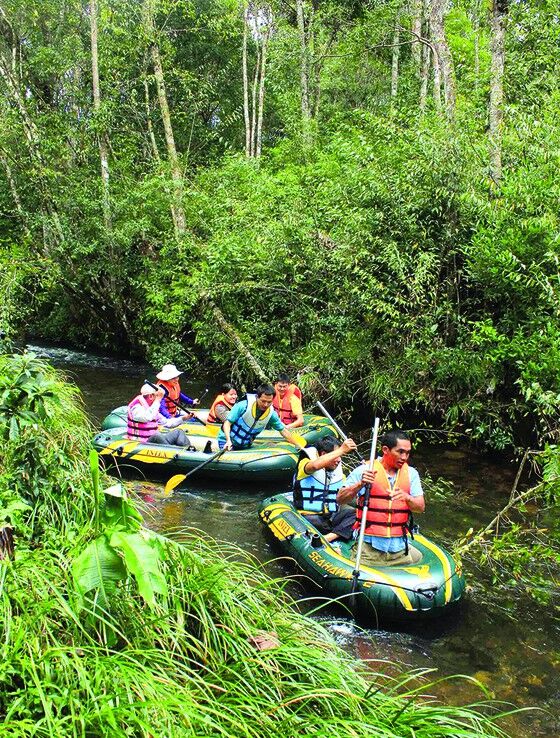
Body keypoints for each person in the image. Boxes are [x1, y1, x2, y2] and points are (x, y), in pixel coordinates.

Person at [337, 430, 425, 565]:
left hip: (399, 549)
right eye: (400, 452)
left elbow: (420, 507)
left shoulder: (411, 474)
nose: (404, 457)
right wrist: (360, 484)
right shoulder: (365, 470)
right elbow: (340, 499)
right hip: (369, 549)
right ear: (385, 450)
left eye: (407, 453)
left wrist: (408, 498)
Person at [293, 435, 358, 543]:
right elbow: (314, 466)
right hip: (309, 516)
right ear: (324, 454)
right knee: (319, 523)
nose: (339, 460)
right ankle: (337, 534)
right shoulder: (306, 462)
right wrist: (342, 450)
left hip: (330, 515)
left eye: (340, 456)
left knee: (357, 514)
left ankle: (330, 537)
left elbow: (345, 493)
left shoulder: (337, 472)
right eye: (337, 455)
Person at [218, 383, 304, 451]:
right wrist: (228, 440)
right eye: (263, 401)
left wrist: (298, 445)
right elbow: (227, 423)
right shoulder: (243, 406)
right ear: (257, 397)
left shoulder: (271, 414)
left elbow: (283, 431)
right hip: (226, 441)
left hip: (245, 445)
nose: (266, 405)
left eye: (269, 402)